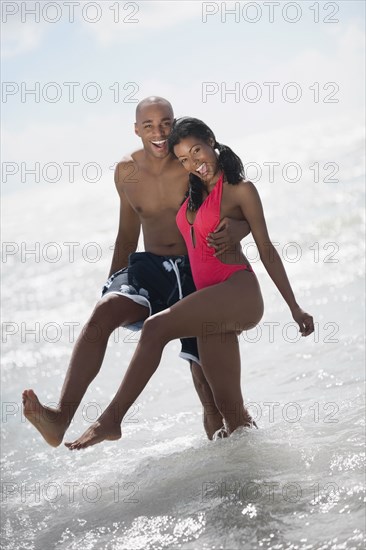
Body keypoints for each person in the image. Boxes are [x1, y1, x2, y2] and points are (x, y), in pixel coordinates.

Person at [64, 117, 314, 450]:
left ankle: (111, 420)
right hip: (210, 305)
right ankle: (254, 478)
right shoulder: (193, 191)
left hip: (237, 290)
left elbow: (266, 249)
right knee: (233, 417)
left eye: (197, 151)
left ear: (212, 141)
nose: (194, 163)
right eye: (184, 159)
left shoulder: (240, 190)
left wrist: (294, 307)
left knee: (155, 329)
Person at [22, 98, 251, 447]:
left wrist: (238, 229)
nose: (158, 133)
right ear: (136, 129)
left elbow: (235, 204)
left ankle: (231, 463)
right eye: (149, 126)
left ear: (174, 124)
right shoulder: (126, 171)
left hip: (196, 272)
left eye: (165, 124)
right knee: (105, 311)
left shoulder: (189, 161)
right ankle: (59, 418)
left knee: (208, 391)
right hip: (151, 269)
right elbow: (127, 233)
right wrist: (112, 284)